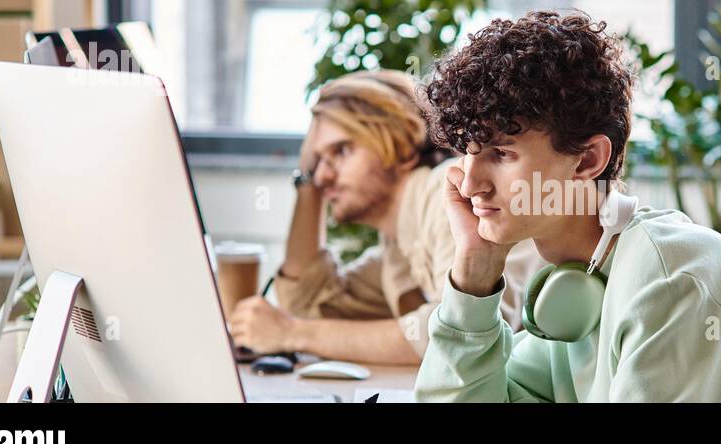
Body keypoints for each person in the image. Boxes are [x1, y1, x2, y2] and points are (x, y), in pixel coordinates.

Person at [412, 11, 721, 402]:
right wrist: (474, 273)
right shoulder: (579, 283)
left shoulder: (675, 283)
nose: (469, 184)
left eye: (502, 154)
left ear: (588, 159)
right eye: (467, 151)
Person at [227, 70, 542, 365]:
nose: (323, 176)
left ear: (403, 144)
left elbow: (463, 331)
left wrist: (291, 333)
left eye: (341, 151)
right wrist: (306, 182)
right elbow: (308, 304)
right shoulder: (398, 247)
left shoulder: (447, 193)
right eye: (316, 162)